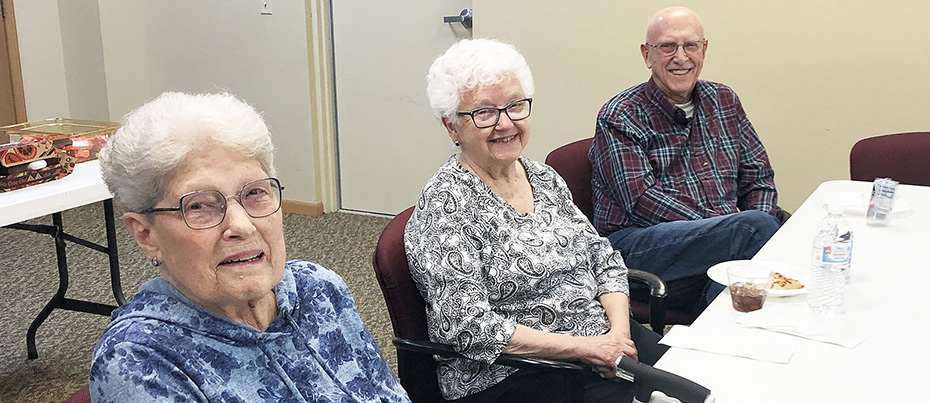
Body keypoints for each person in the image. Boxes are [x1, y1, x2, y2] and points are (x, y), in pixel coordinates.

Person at [90, 92, 410, 402]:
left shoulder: (318, 288)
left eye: (255, 193)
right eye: (200, 205)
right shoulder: (140, 362)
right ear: (146, 235)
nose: (242, 225)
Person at [405, 38, 667, 403]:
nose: (505, 123)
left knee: (706, 373)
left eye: (515, 106)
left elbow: (601, 258)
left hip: (602, 343)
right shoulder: (445, 206)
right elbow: (469, 327)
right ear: (452, 127)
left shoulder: (542, 177)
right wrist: (586, 349)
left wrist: (618, 337)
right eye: (484, 112)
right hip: (517, 374)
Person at [589, 6, 782, 314]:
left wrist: (745, 234)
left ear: (703, 50)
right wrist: (730, 227)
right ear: (646, 54)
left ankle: (715, 352)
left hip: (717, 243)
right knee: (753, 231)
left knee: (737, 268)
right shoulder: (621, 115)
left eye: (690, 45)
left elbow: (757, 177)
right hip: (641, 249)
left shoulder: (724, 100)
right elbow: (641, 200)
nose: (681, 57)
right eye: (667, 46)